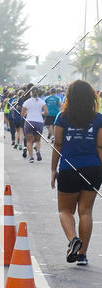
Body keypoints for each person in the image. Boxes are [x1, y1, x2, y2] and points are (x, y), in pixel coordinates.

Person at [51, 79, 102, 266]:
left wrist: (52, 169)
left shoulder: (62, 117)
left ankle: (73, 239)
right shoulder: (98, 119)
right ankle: (82, 255)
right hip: (93, 168)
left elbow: (57, 144)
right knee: (86, 212)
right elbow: (100, 146)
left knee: (65, 210)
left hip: (68, 168)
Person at [21, 88, 48, 162]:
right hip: (39, 122)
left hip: (29, 122)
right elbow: (46, 112)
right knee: (38, 140)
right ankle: (38, 152)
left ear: (30, 93)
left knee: (29, 141)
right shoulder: (42, 101)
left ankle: (31, 157)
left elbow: (22, 115)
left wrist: (27, 113)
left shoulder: (27, 102)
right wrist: (40, 113)